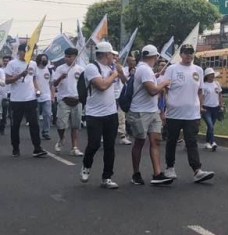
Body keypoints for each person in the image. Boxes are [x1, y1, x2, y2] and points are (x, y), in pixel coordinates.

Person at [162, 44, 215, 183]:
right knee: (172, 141)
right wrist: (167, 105)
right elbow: (165, 89)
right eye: (186, 53)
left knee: (191, 142)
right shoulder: (172, 69)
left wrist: (200, 106)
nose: (188, 55)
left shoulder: (198, 70)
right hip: (174, 113)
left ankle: (197, 170)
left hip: (192, 114)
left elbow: (200, 91)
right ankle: (169, 167)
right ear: (181, 54)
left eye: (191, 53)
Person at [81, 42, 126, 188]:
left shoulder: (113, 68)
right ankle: (86, 165)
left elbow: (125, 82)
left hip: (110, 113)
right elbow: (101, 85)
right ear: (106, 55)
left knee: (109, 146)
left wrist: (120, 72)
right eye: (112, 55)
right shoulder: (91, 68)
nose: (114, 57)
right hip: (94, 114)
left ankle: (107, 177)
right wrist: (114, 74)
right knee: (94, 144)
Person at [126, 44, 172, 186]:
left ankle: (157, 173)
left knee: (155, 141)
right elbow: (152, 90)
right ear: (154, 56)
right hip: (140, 111)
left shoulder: (145, 70)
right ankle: (136, 173)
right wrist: (163, 82)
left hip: (152, 111)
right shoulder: (144, 70)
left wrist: (156, 77)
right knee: (140, 142)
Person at [4, 43, 47, 158]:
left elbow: (33, 79)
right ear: (20, 52)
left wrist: (37, 90)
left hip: (30, 99)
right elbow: (7, 81)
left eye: (31, 52)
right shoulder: (12, 64)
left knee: (34, 124)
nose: (28, 54)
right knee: (15, 125)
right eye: (26, 52)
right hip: (16, 100)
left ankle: (37, 148)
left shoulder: (33, 64)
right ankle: (15, 148)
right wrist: (19, 75)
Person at [51, 47, 84, 156]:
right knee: (61, 124)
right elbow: (54, 84)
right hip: (64, 100)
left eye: (69, 56)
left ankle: (74, 147)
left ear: (75, 57)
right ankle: (61, 138)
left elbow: (84, 85)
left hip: (77, 100)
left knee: (75, 125)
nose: (66, 58)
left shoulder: (81, 70)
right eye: (65, 56)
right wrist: (61, 77)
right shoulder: (60, 69)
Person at [200, 67, 223, 151]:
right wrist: (201, 106)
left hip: (215, 108)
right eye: (210, 75)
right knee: (210, 125)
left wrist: (221, 105)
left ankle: (207, 142)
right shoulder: (204, 85)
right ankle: (213, 142)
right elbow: (201, 96)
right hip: (207, 108)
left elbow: (220, 94)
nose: (212, 76)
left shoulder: (216, 83)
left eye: (213, 74)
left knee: (211, 126)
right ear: (207, 76)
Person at [35, 53, 53, 140]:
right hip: (35, 96)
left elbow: (51, 84)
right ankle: (35, 132)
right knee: (35, 116)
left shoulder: (49, 70)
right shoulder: (35, 69)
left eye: (45, 58)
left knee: (47, 114)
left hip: (47, 96)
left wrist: (53, 96)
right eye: (43, 58)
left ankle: (45, 132)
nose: (44, 60)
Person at [0, 55, 12, 135]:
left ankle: (12, 126)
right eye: (5, 61)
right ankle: (1, 128)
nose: (6, 62)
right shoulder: (0, 70)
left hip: (11, 93)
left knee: (11, 112)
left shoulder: (12, 70)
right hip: (2, 93)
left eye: (8, 61)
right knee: (3, 111)